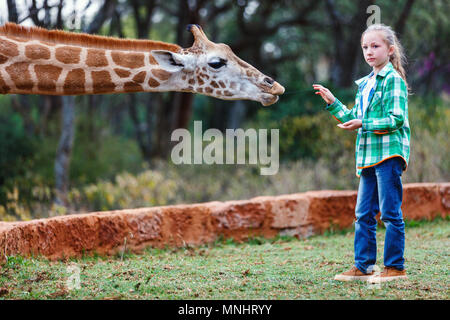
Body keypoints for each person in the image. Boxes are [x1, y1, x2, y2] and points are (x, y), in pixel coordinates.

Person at [313, 23, 410, 283]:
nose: (369, 51)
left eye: (375, 46)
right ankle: (363, 266)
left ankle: (395, 267)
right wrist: (333, 102)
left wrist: (363, 124)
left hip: (388, 155)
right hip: (367, 157)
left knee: (390, 213)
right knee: (363, 214)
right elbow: (353, 118)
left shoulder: (393, 80)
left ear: (390, 50)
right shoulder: (365, 83)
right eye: (365, 47)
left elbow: (396, 119)